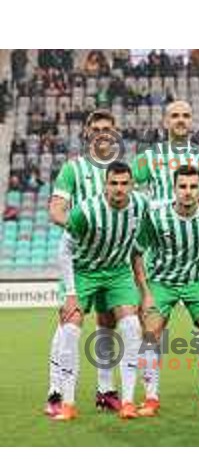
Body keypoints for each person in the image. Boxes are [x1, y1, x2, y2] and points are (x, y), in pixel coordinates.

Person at [50, 161, 148, 420]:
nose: (119, 188)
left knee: (132, 329)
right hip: (84, 272)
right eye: (113, 183)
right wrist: (71, 293)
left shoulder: (141, 205)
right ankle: (67, 404)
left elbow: (139, 246)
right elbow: (64, 249)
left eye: (124, 183)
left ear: (132, 185)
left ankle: (127, 401)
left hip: (117, 272)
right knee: (70, 330)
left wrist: (144, 289)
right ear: (105, 184)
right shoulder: (86, 210)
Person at [132, 166, 199, 417]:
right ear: (174, 189)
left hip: (197, 282)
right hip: (162, 282)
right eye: (183, 187)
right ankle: (151, 398)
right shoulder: (156, 217)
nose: (188, 192)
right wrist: (145, 292)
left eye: (193, 186)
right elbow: (137, 252)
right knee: (151, 333)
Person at [45, 110, 122, 417]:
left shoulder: (120, 171)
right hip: (79, 262)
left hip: (113, 262)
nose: (102, 132)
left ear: (115, 132)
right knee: (69, 321)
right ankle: (56, 392)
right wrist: (81, 228)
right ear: (87, 133)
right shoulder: (73, 169)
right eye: (96, 128)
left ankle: (105, 390)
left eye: (107, 128)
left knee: (108, 323)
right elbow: (56, 210)